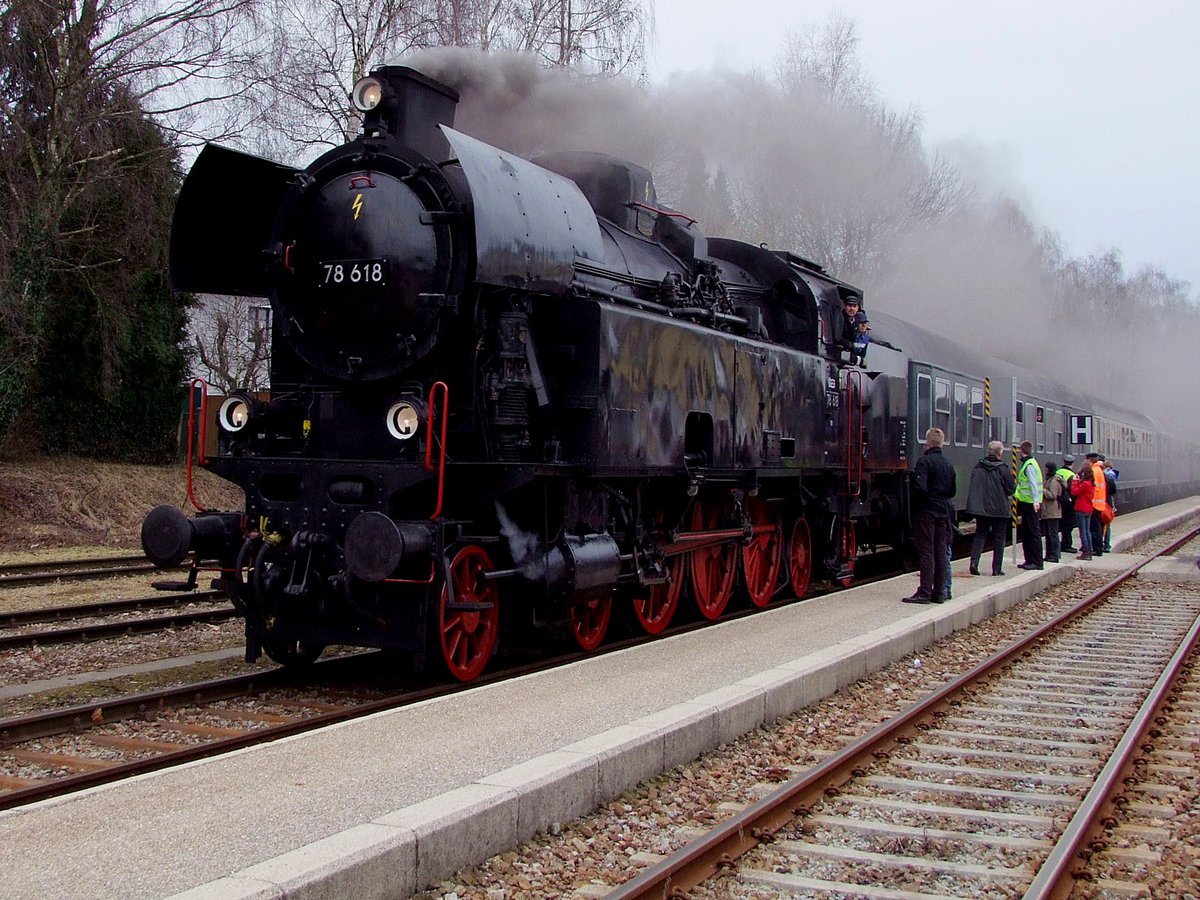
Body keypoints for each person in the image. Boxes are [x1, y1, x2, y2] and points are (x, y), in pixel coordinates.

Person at [904, 427, 957, 604]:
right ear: (941, 443)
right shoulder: (948, 464)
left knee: (927, 551)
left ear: (927, 443)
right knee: (940, 551)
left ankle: (925, 591)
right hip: (943, 510)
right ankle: (940, 591)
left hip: (927, 511)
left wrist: (922, 502)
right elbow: (952, 490)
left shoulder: (924, 462)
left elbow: (920, 488)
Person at [965, 440, 1016, 576]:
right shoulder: (1003, 469)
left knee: (980, 535)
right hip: (999, 510)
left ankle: (974, 563)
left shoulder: (978, 467)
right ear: (1000, 453)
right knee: (999, 538)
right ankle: (996, 569)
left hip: (982, 509)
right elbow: (1011, 489)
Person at [1015, 441, 1044, 570]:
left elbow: (1033, 484)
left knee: (1032, 532)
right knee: (1027, 532)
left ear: (1022, 450)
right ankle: (1029, 560)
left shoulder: (1029, 465)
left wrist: (1036, 501)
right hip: (1027, 502)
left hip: (1030, 504)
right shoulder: (1030, 463)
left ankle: (1036, 561)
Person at [1071, 462, 1095, 559]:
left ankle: (1085, 552)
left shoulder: (1085, 484)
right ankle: (1089, 550)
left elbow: (1074, 491)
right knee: (1087, 531)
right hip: (1089, 509)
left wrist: (1075, 481)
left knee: (1083, 532)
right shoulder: (1091, 483)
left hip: (1081, 508)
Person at [1086, 452, 1108, 557]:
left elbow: (1095, 488)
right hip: (1099, 503)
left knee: (1095, 528)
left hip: (1094, 503)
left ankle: (1097, 549)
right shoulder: (1099, 470)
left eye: (1087, 460)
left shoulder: (1094, 471)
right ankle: (1098, 548)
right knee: (1097, 527)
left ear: (1090, 460)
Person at [1041, 461, 1063, 562]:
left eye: (1046, 468)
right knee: (1049, 534)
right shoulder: (1049, 479)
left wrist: (1043, 490)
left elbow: (1053, 495)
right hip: (1048, 510)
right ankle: (1049, 554)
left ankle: (1054, 555)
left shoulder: (1054, 481)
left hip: (1053, 511)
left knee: (1052, 534)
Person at [1057, 454, 1077, 552]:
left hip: (1058, 501)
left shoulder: (1058, 472)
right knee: (1068, 525)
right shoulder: (1072, 475)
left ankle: (1062, 543)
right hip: (1069, 503)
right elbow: (1072, 491)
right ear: (1072, 463)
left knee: (1061, 524)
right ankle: (1067, 545)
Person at [1102, 458, 1118, 552]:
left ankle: (1105, 544)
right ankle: (1106, 544)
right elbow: (1113, 491)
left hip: (1104, 503)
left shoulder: (1108, 476)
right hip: (1108, 503)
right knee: (1107, 524)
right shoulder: (1112, 475)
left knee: (1104, 524)